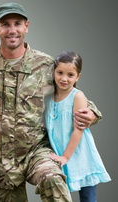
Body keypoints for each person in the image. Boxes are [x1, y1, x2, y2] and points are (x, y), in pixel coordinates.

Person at [0, 3, 102, 201]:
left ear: (27, 26)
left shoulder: (46, 65)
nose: (12, 30)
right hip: (0, 161)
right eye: (5, 24)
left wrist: (91, 112)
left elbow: (71, 92)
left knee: (53, 179)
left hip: (37, 152)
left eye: (18, 23)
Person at [44, 51, 110, 202]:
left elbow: (78, 130)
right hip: (60, 150)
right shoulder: (48, 97)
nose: (64, 79)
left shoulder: (77, 96)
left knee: (87, 196)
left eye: (70, 75)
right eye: (60, 73)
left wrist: (65, 157)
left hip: (79, 154)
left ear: (78, 77)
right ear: (53, 72)